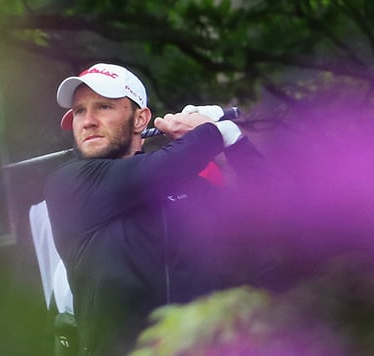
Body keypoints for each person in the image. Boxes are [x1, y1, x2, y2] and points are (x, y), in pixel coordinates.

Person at [43, 63, 264, 355]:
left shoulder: (190, 191)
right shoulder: (69, 183)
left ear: (140, 119)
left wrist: (234, 139)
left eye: (104, 107)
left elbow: (270, 213)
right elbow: (161, 168)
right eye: (79, 111)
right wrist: (211, 130)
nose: (88, 121)